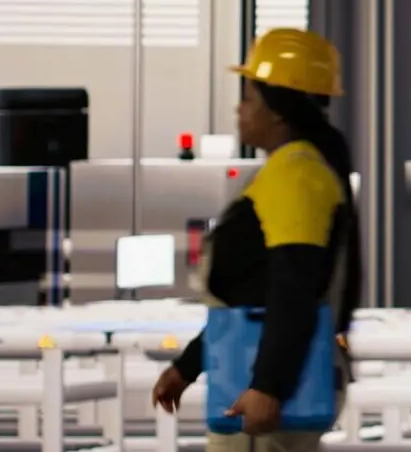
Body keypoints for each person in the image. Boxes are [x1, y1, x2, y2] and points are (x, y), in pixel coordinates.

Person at [150, 27, 363, 452]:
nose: (240, 108)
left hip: (266, 390)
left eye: (249, 97)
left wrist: (269, 386)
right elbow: (251, 300)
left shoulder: (297, 174)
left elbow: (294, 288)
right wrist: (188, 366)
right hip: (251, 374)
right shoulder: (291, 168)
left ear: (278, 109)